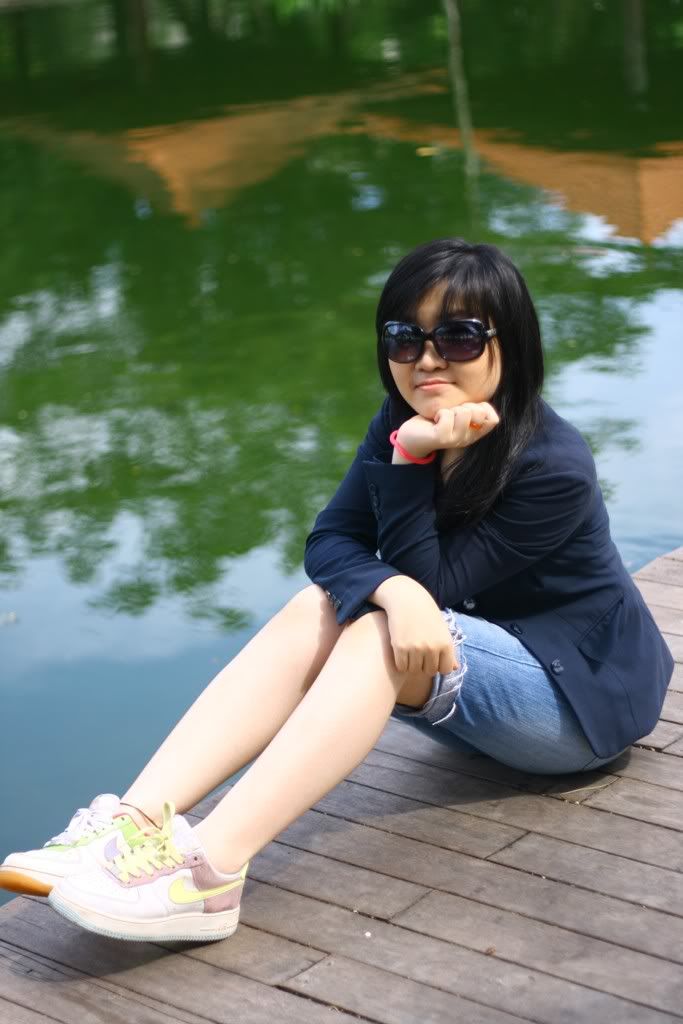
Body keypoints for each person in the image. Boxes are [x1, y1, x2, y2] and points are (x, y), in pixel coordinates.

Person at [0, 238, 674, 944]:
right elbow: (330, 541)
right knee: (317, 606)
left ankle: (209, 874)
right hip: (472, 673)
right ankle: (132, 825)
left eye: (458, 336)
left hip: (575, 707)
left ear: (511, 344)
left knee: (377, 627)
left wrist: (410, 470)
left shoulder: (551, 465)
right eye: (405, 337)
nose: (427, 359)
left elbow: (436, 588)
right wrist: (398, 571)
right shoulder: (399, 421)